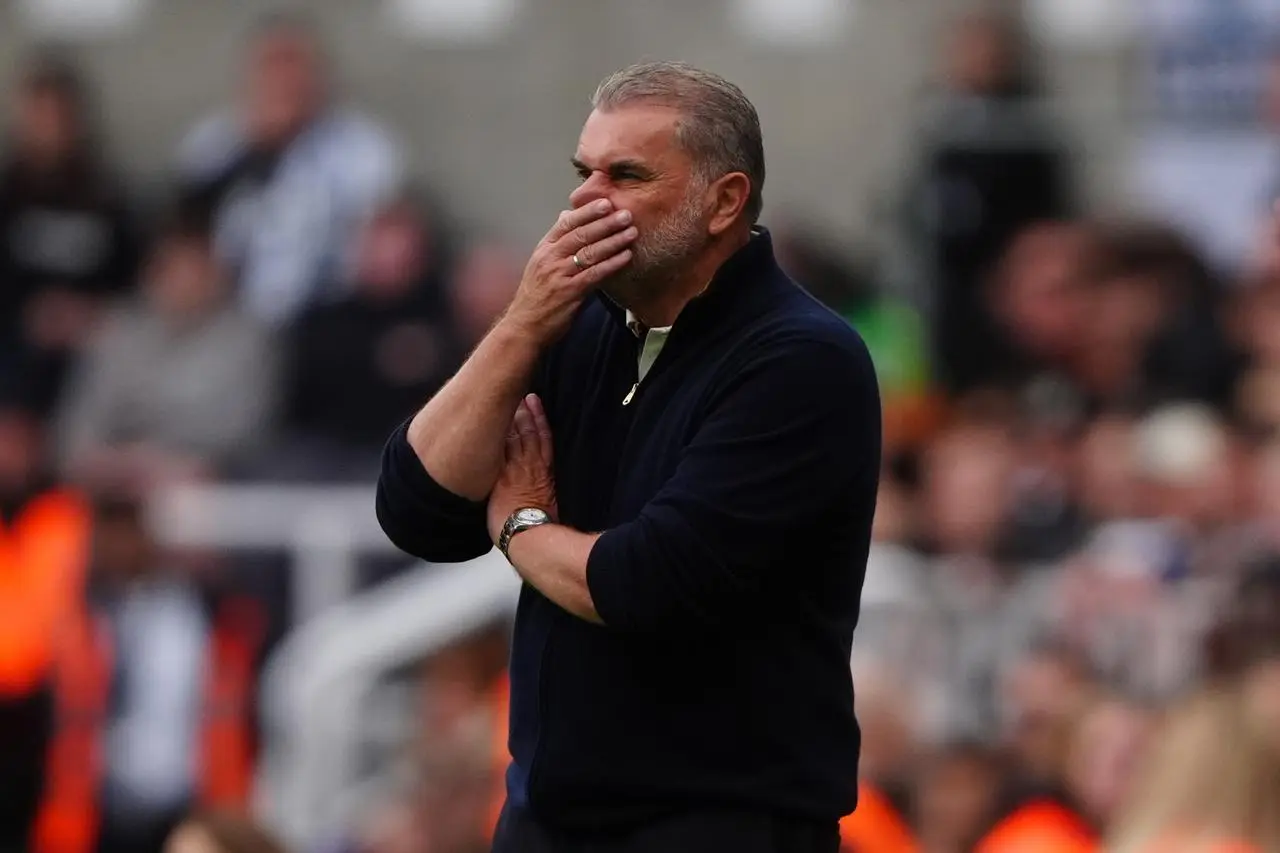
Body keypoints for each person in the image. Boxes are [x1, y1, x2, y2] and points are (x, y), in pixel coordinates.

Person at [377, 61, 881, 853]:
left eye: (627, 174)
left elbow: (642, 580)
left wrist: (521, 526)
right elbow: (417, 508)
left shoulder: (803, 359)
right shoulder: (575, 325)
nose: (587, 200)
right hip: (545, 820)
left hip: (721, 826)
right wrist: (520, 325)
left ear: (724, 201)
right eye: (583, 172)